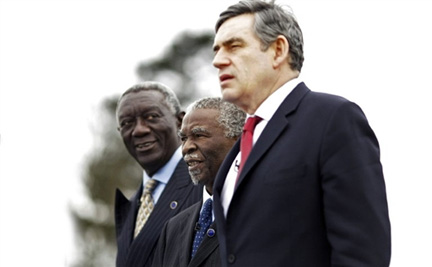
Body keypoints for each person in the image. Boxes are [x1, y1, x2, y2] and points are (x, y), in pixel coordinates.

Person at [211, 1, 391, 266]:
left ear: (278, 50)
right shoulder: (240, 148)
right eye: (216, 50)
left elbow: (362, 254)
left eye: (234, 46)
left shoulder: (333, 119)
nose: (217, 61)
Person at [114, 81, 202, 267]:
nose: (139, 130)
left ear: (180, 121)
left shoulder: (206, 186)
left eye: (152, 116)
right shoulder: (131, 205)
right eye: (127, 123)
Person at [152, 97, 245, 267]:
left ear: (239, 140)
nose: (186, 147)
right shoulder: (172, 229)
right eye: (183, 138)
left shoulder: (261, 216)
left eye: (199, 135)